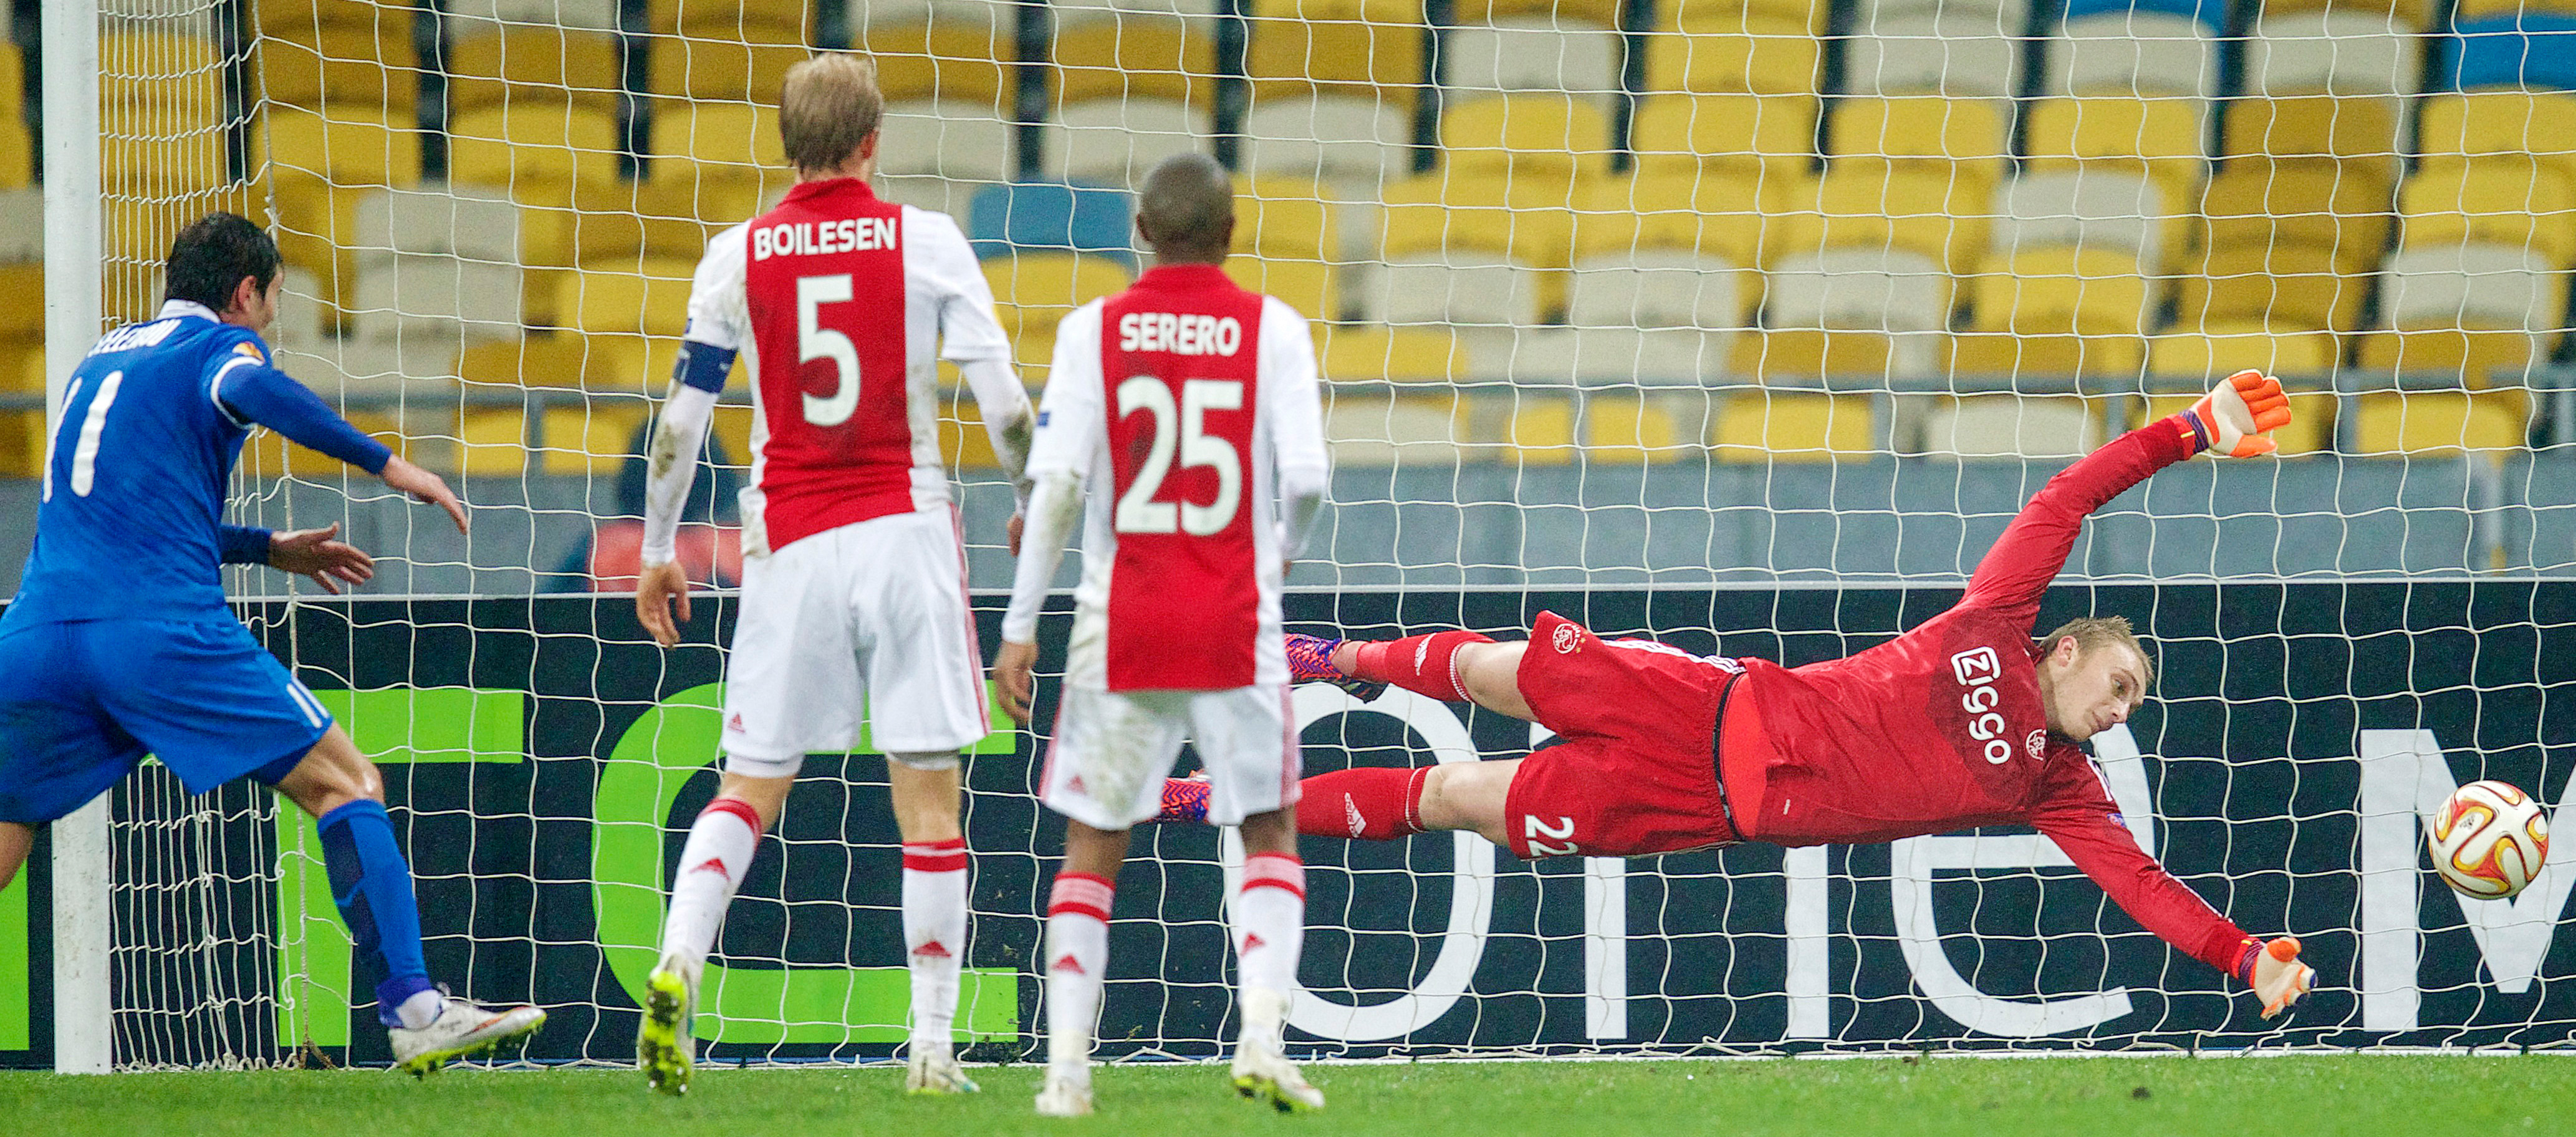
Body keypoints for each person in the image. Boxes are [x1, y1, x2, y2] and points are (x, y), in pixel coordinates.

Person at [1157, 370, 2319, 1019]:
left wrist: (2240, 954)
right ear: (2066, 651)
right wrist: (2185, 433)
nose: (2121, 709)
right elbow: (2066, 500)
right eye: (2118, 682)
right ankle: (1340, 661)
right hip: (1700, 705)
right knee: (1490, 670)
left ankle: (1213, 799)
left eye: (2133, 705)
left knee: (1457, 795)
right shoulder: (1994, 623)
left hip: (1690, 810)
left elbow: (2142, 885)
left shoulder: (2056, 789)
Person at [0, 212, 546, 1072]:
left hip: (34, 636)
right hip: (156, 632)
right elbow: (255, 388)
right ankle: (414, 1007)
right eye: (269, 305)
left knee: (7, 821)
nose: (265, 325)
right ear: (244, 292)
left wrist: (266, 549)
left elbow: (126, 517)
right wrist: (389, 464)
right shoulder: (219, 350)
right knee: (347, 782)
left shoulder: (98, 362)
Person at [631, 52, 1036, 1097]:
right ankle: (934, 1051)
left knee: (750, 786)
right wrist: (1033, 502)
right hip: (904, 529)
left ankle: (678, 963)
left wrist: (661, 547)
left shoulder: (738, 252)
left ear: (785, 143)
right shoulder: (927, 241)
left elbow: (680, 424)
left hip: (790, 539)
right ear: (874, 142)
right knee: (930, 799)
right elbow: (1004, 409)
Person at [989, 153, 1332, 1116]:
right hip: (1234, 617)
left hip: (1120, 621)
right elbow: (1304, 479)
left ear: (1139, 230)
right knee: (1267, 826)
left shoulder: (1092, 330)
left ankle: (1065, 1075)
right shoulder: (1275, 330)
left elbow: (1053, 488)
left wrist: (1019, 629)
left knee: (1095, 842)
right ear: (1232, 233)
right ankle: (1262, 1034)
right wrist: (1277, 557)